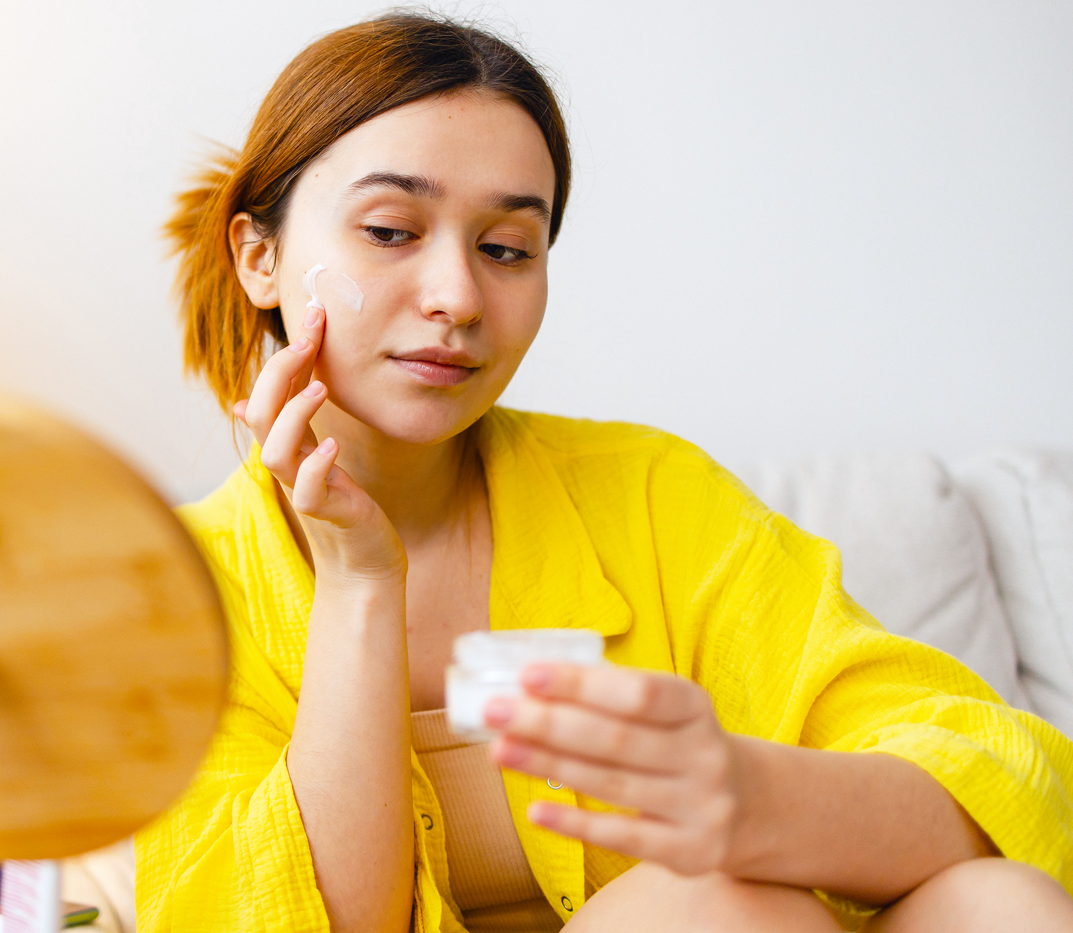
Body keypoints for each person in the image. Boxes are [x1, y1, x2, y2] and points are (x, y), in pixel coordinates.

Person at [136, 12, 1073, 932]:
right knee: (707, 905)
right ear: (259, 257)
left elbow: (1002, 772)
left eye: (506, 249)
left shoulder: (651, 494)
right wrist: (359, 579)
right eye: (390, 230)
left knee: (1003, 902)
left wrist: (750, 798)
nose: (458, 298)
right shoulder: (177, 591)